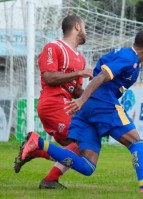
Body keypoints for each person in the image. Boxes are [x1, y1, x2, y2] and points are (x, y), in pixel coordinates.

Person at [18, 29, 143, 194]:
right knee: (136, 143)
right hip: (103, 104)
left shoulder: (130, 58)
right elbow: (101, 76)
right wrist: (82, 100)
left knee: (87, 166)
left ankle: (38, 143)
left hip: (91, 107)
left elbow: (99, 71)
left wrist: (85, 100)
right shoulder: (128, 57)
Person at [13, 15, 93, 189]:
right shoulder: (53, 47)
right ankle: (49, 178)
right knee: (85, 140)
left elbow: (75, 91)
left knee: (74, 148)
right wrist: (79, 73)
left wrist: (97, 89)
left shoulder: (80, 59)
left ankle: (36, 151)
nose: (86, 32)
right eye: (85, 28)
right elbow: (49, 77)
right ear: (77, 27)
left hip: (65, 104)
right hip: (53, 102)